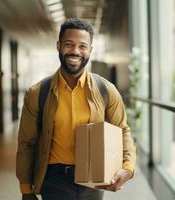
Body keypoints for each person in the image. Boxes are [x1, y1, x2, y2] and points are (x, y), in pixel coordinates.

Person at [16, 18, 136, 200]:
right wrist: (26, 189)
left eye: (82, 46)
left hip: (93, 177)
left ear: (90, 50)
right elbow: (27, 143)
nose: (75, 51)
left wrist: (128, 168)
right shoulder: (38, 92)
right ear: (58, 46)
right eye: (69, 44)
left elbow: (122, 131)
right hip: (54, 180)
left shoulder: (106, 90)